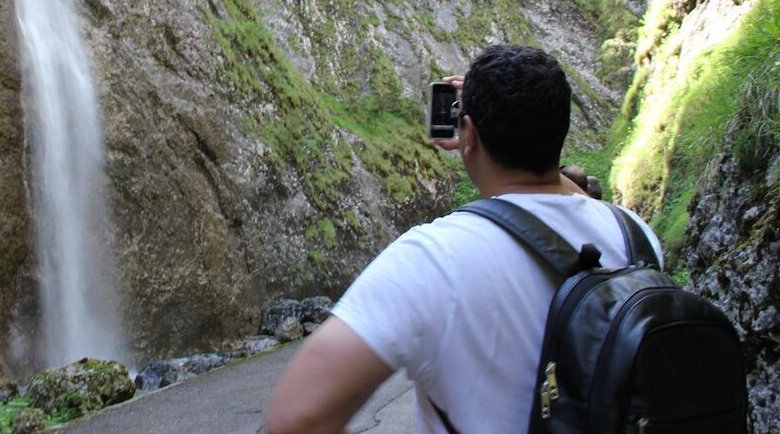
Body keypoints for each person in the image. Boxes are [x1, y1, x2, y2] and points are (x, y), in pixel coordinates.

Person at [264, 44, 662, 434]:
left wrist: (484, 123)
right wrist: (503, 124)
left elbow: (297, 418)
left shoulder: (432, 257)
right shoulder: (634, 234)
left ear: (467, 133)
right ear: (559, 128)